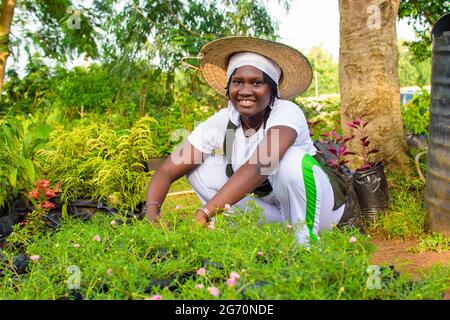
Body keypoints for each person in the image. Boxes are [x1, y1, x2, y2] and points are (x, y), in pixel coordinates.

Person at [144, 36, 347, 245]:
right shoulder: (225, 120)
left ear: (272, 90)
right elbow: (168, 169)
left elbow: (260, 165)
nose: (245, 91)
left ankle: (306, 243)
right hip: (275, 212)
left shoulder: (286, 112)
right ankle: (247, 234)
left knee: (291, 160)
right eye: (237, 82)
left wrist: (205, 212)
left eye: (257, 83)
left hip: (320, 211)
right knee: (198, 168)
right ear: (228, 87)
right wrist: (152, 211)